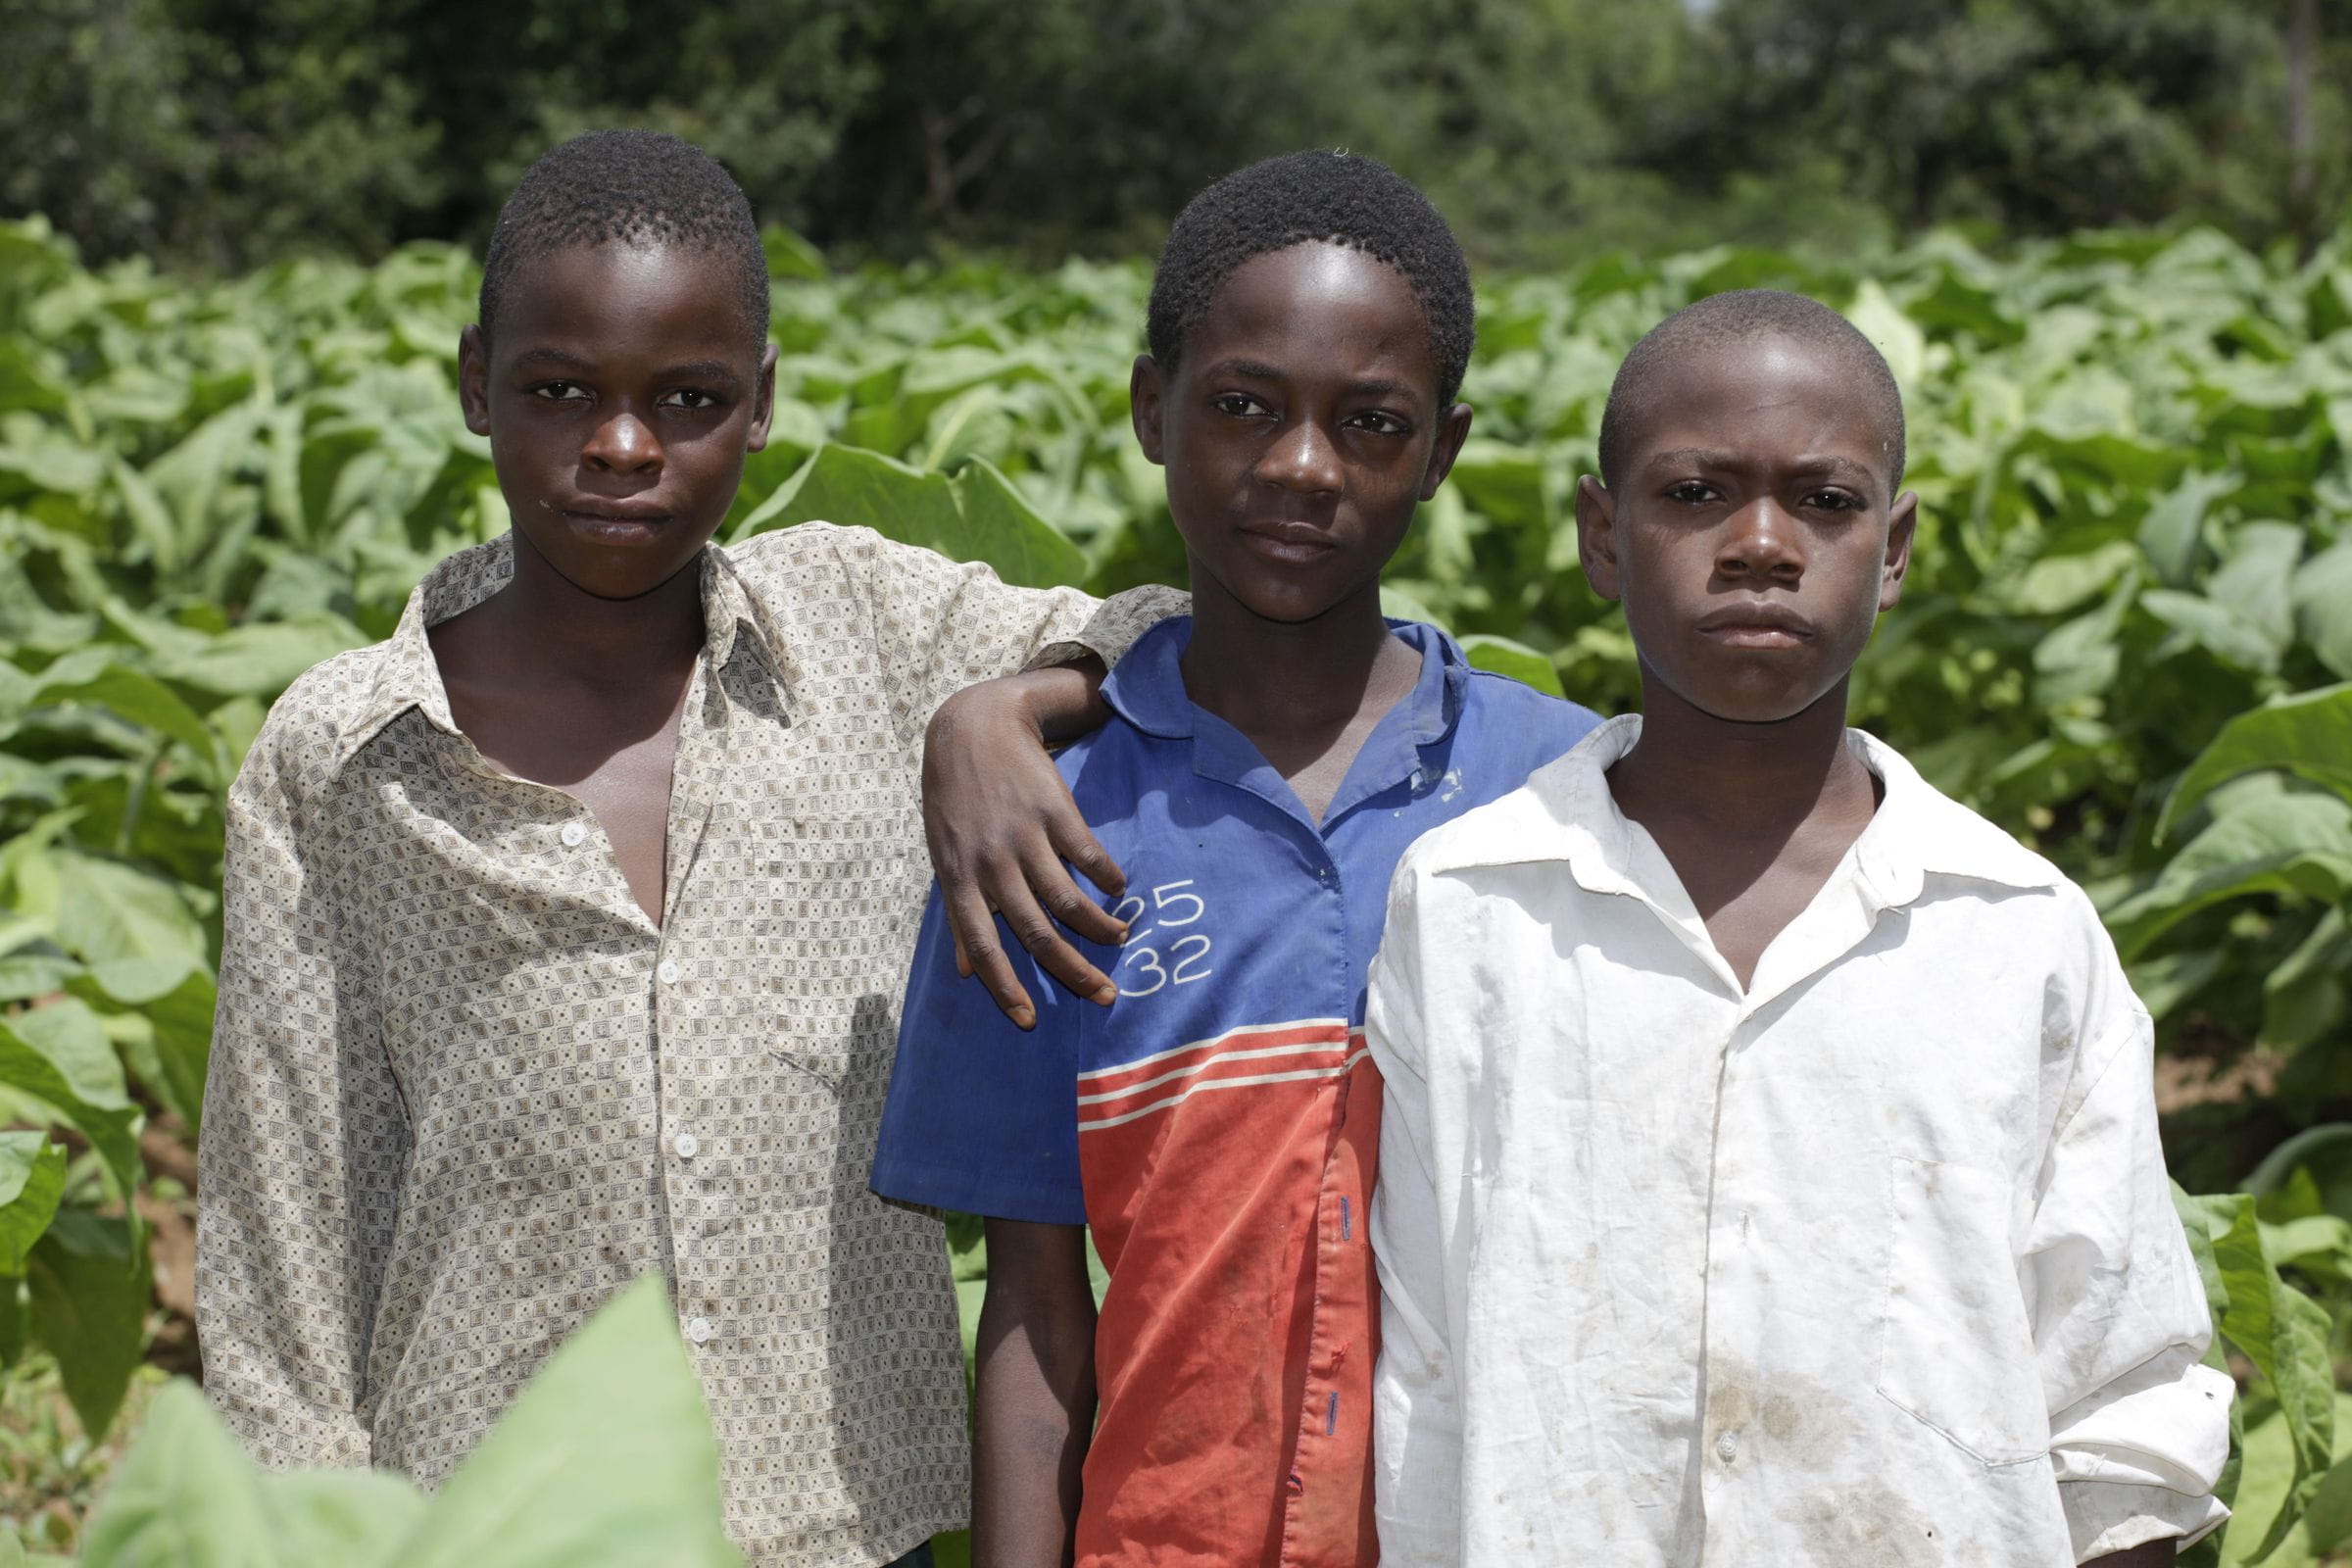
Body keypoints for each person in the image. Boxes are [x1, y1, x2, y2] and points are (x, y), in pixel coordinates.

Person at [194, 129, 1183, 1568]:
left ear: (763, 405)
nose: (620, 446)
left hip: (864, 1521)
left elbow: (1171, 634)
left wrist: (1000, 711)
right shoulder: (341, 757)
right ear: (477, 383)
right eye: (558, 391)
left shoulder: (871, 635)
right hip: (495, 1527)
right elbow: (282, 1251)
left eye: (689, 399)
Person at [1364, 289, 2231, 1566]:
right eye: (1694, 494)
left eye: (1824, 502)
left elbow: (2120, 1393)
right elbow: (1420, 1373)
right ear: (1603, 537)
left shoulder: (2019, 933)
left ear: (1893, 549)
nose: (1762, 543)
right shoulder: (1467, 908)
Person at [869, 151, 1600, 1568]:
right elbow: (1032, 1310)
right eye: (1244, 406)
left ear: (1443, 451)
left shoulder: (1560, 787)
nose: (1301, 467)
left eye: (1370, 423)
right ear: (1155, 410)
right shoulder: (1042, 828)